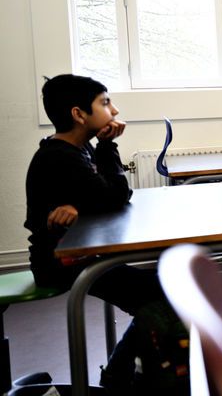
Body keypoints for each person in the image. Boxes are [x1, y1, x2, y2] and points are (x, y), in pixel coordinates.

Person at [25, 74, 181, 392]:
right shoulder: (61, 157)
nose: (114, 110)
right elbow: (116, 196)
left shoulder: (75, 151)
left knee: (163, 292)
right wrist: (108, 145)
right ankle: (119, 376)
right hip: (62, 263)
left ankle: (127, 372)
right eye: (105, 102)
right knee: (167, 296)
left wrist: (100, 156)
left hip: (82, 254)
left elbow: (105, 196)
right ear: (78, 114)